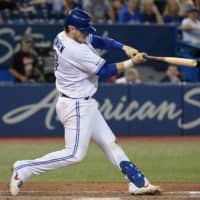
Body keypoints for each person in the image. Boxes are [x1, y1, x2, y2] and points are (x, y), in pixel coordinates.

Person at [10, 8, 161, 196]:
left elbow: (97, 40)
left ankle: (139, 182)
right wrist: (133, 62)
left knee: (109, 142)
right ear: (71, 28)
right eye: (83, 29)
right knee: (74, 155)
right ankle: (25, 168)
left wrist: (124, 47)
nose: (86, 33)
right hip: (75, 105)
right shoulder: (75, 50)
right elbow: (105, 71)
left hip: (84, 102)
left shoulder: (65, 35)